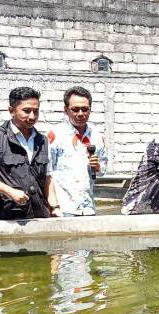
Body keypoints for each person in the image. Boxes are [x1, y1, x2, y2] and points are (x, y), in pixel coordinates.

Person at [0, 87, 60, 220]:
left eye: (36, 111)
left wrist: (54, 207)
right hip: (9, 218)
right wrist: (10, 192)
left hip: (40, 216)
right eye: (26, 111)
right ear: (11, 111)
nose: (32, 116)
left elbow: (48, 178)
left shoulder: (42, 141)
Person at [47, 86, 107, 217]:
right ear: (66, 110)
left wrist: (97, 166)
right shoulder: (56, 134)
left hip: (88, 208)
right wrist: (53, 206)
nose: (80, 114)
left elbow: (102, 170)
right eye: (75, 109)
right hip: (64, 208)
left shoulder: (96, 135)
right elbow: (47, 172)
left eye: (85, 109)